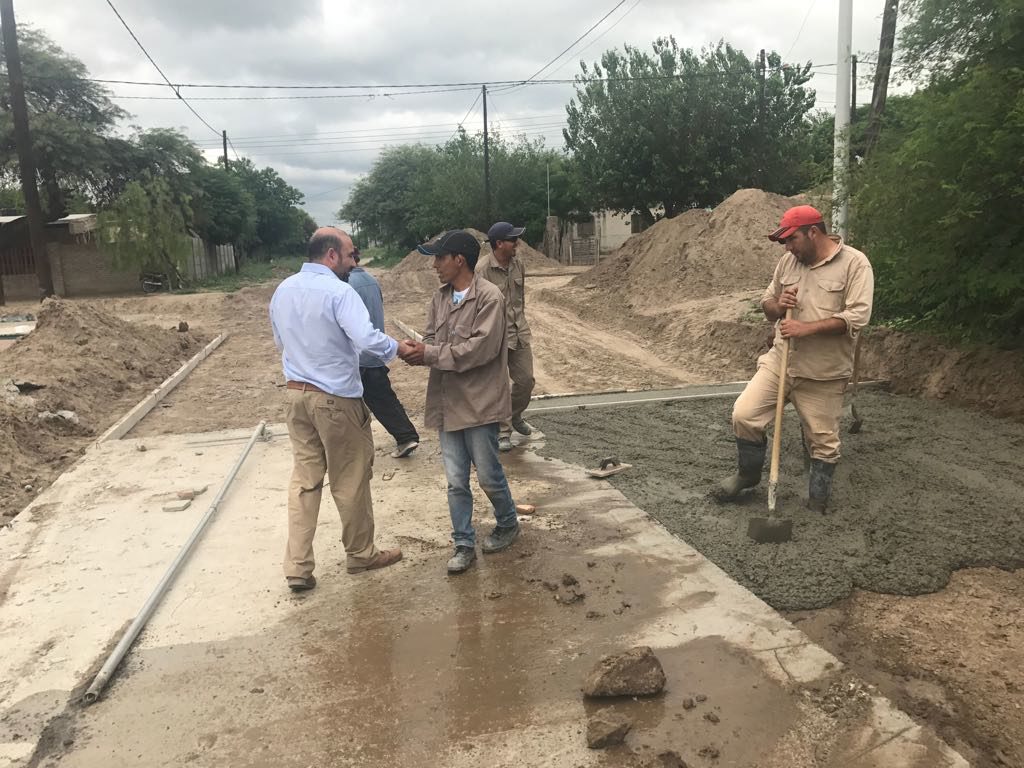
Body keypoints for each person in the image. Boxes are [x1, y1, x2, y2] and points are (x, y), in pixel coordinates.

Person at [269, 227, 406, 592]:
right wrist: (401, 349)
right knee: (351, 478)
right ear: (331, 255)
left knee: (304, 482)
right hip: (335, 400)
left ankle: (297, 567)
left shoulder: (283, 290)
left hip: (296, 397)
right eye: (349, 255)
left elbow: (280, 342)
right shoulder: (339, 291)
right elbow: (366, 339)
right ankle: (361, 554)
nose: (353, 263)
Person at [713, 205, 874, 513]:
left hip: (823, 372)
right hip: (780, 361)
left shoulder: (855, 265)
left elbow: (856, 317)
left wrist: (806, 328)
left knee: (823, 441)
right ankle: (746, 476)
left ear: (813, 232)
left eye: (791, 240)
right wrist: (777, 305)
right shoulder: (789, 262)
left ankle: (817, 499)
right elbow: (766, 303)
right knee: (744, 415)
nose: (787, 248)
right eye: (783, 243)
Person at [399, 229, 521, 574]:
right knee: (455, 480)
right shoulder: (439, 298)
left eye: (439, 258)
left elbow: (480, 350)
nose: (434, 265)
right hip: (447, 402)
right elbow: (431, 338)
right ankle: (463, 543)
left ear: (459, 260)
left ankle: (508, 521)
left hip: (479, 404)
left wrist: (431, 353)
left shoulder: (489, 298)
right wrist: (416, 350)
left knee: (488, 475)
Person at [345, 249, 421, 459]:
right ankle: (406, 436)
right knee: (383, 398)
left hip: (360, 353)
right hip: (375, 350)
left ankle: (404, 436)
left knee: (352, 402)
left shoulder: (345, 285)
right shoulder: (370, 280)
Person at [478, 221, 536, 452]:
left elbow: (520, 300)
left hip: (519, 331)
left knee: (526, 381)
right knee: (499, 386)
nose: (518, 243)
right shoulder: (482, 271)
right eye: (513, 240)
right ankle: (503, 431)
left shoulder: (518, 264)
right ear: (499, 243)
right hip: (496, 337)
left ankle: (514, 415)